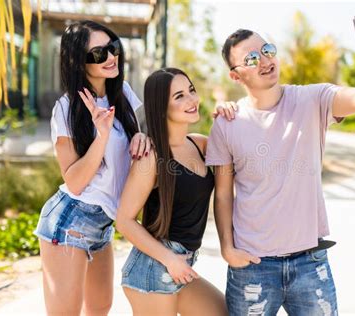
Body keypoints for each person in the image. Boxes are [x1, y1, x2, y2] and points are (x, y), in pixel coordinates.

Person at [206, 12, 355, 315]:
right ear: (235, 75)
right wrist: (226, 248)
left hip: (309, 263)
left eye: (268, 50)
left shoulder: (313, 99)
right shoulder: (226, 123)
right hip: (253, 267)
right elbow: (222, 194)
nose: (265, 61)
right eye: (252, 58)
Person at [33, 20, 149, 315]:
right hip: (71, 221)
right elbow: (74, 182)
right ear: (78, 62)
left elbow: (144, 135)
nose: (111, 58)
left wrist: (140, 135)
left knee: (100, 308)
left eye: (113, 48)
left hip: (102, 224)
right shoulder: (66, 108)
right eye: (99, 54)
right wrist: (102, 136)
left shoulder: (121, 93)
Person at [116, 68, 227, 316]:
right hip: (154, 270)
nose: (191, 100)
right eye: (179, 96)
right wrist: (169, 259)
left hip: (182, 265)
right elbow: (123, 220)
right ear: (161, 107)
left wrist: (229, 115)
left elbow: (237, 163)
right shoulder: (151, 157)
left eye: (191, 90)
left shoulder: (200, 144)